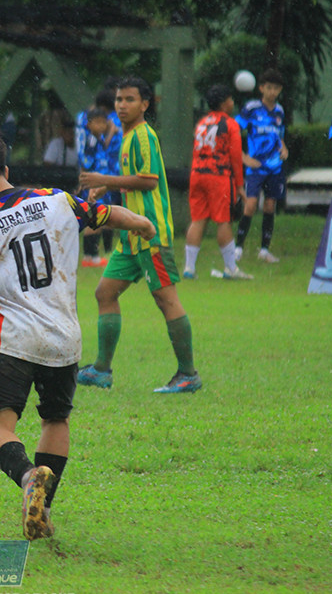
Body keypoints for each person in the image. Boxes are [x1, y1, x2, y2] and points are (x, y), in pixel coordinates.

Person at [0, 123, 156, 540]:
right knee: (56, 418)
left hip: (14, 341)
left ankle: (29, 476)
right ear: (5, 165)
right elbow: (106, 215)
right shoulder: (57, 200)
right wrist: (141, 223)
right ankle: (43, 509)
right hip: (65, 340)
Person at [77, 76, 202, 394]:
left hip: (151, 233)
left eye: (130, 99)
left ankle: (188, 374)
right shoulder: (128, 135)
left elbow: (148, 180)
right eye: (119, 99)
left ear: (145, 104)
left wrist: (103, 178)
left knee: (165, 298)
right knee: (105, 293)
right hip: (131, 234)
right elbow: (134, 176)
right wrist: (108, 186)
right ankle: (101, 370)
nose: (122, 105)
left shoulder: (143, 135)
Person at [184, 85, 252, 280]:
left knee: (198, 220)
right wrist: (239, 185)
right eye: (230, 100)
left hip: (197, 174)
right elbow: (235, 157)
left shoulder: (202, 123)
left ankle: (189, 268)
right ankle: (231, 268)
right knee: (223, 221)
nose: (232, 103)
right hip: (218, 176)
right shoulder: (230, 124)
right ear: (224, 103)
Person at [235, 68, 288, 264]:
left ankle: (264, 250)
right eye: (269, 88)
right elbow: (233, 132)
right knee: (250, 205)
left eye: (276, 88)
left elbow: (279, 136)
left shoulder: (280, 111)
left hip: (274, 167)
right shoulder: (251, 108)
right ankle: (238, 247)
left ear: (280, 90)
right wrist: (243, 157)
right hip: (255, 167)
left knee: (270, 205)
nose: (272, 92)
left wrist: (284, 148)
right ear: (261, 88)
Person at [78, 107, 123, 268]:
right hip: (93, 184)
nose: (102, 126)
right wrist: (85, 180)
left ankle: (92, 255)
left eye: (104, 123)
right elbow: (86, 162)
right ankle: (90, 255)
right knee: (94, 219)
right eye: (98, 123)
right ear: (89, 124)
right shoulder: (91, 140)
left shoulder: (99, 138)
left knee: (101, 217)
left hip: (101, 184)